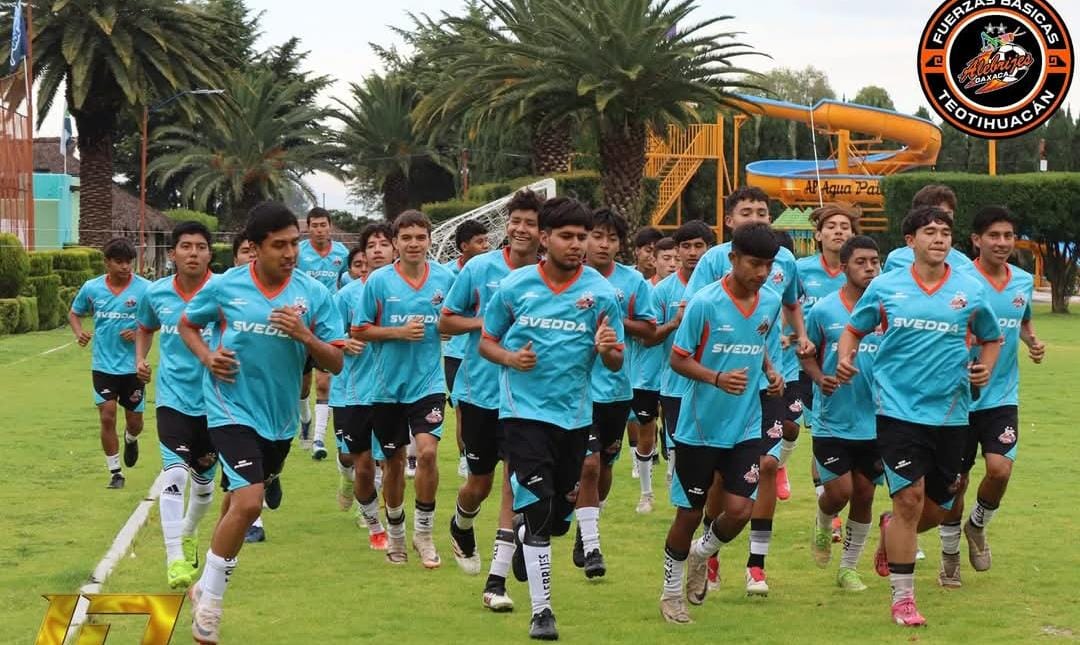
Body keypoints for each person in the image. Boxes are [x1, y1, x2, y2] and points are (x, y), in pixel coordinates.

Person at [181, 202, 345, 643]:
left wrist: (305, 336)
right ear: (254, 248)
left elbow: (336, 360)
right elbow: (187, 324)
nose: (291, 252)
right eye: (280, 245)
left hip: (281, 420)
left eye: (294, 243)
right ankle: (210, 604)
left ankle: (203, 583)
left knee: (238, 501)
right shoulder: (226, 287)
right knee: (251, 503)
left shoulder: (313, 294)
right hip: (229, 407)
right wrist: (207, 357)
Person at [837, 205, 1001, 627]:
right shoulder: (886, 287)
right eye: (930, 231)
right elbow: (854, 328)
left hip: (950, 412)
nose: (939, 239)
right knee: (909, 498)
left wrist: (985, 368)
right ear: (910, 241)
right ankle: (903, 600)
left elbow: (991, 337)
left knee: (940, 508)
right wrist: (845, 359)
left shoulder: (969, 290)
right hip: (896, 411)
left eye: (945, 232)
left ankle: (893, 531)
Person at [479, 196, 624, 640]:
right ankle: (542, 613)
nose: (577, 244)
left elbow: (617, 360)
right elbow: (487, 341)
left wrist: (607, 350)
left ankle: (531, 536)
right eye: (567, 236)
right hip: (523, 415)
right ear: (545, 239)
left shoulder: (600, 293)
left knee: (560, 516)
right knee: (541, 513)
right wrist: (509, 357)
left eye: (583, 237)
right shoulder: (516, 287)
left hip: (575, 417)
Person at [684, 187, 812, 597]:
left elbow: (787, 306)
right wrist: (716, 371)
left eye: (762, 210)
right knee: (723, 479)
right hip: (722, 385)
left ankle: (756, 565)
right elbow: (697, 313)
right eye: (746, 211)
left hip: (770, 379)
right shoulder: (711, 261)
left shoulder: (785, 262)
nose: (755, 216)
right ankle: (710, 550)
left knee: (769, 468)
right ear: (729, 221)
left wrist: (798, 340)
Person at [660, 222, 784, 624]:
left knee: (739, 510)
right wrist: (715, 377)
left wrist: (770, 370)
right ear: (732, 259)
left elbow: (760, 341)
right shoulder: (705, 303)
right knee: (690, 513)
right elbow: (677, 358)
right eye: (754, 264)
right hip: (699, 425)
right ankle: (670, 593)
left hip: (746, 424)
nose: (761, 273)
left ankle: (702, 553)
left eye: (768, 265)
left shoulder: (770, 302)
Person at [439, 189, 543, 611]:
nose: (520, 229)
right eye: (515, 220)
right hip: (479, 391)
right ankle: (461, 523)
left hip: (525, 398)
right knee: (479, 484)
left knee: (513, 485)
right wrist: (490, 322)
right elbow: (445, 319)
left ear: (543, 232)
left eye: (530, 223)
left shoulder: (549, 277)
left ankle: (495, 581)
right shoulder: (479, 268)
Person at [937, 205, 1044, 587]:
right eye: (994, 236)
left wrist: (1032, 341)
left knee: (1000, 469)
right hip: (959, 397)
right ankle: (949, 554)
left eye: (1008, 236)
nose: (1002, 243)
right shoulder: (961, 281)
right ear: (976, 240)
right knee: (956, 482)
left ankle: (977, 526)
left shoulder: (1022, 280)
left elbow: (1024, 317)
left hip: (1001, 396)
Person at [352, 210, 456, 568]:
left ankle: (424, 534)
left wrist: (448, 328)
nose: (414, 244)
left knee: (427, 453)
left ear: (429, 240)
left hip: (428, 383)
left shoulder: (445, 278)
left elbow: (453, 319)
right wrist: (397, 332)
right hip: (386, 388)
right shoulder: (379, 282)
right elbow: (359, 330)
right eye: (406, 238)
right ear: (395, 242)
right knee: (394, 464)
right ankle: (396, 534)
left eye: (420, 237)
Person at [573, 207, 657, 579]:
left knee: (604, 465)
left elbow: (649, 330)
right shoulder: (571, 280)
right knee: (587, 465)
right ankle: (592, 546)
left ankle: (587, 525)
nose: (604, 244)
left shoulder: (632, 282)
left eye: (611, 238)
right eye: (597, 236)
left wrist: (612, 320)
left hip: (618, 389)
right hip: (577, 391)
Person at [135, 221, 218, 589]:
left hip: (217, 402)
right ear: (173, 253)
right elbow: (145, 327)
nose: (193, 253)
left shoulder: (224, 291)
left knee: (203, 483)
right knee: (174, 474)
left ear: (209, 253)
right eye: (186, 246)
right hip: (172, 398)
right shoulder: (157, 294)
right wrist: (141, 358)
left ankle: (189, 531)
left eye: (200, 247)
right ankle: (174, 559)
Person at [800, 235, 883, 592]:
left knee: (865, 494)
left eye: (874, 262)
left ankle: (848, 569)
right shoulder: (823, 311)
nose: (869, 268)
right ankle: (823, 519)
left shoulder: (887, 311)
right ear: (845, 267)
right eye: (861, 262)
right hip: (832, 418)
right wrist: (821, 379)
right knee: (841, 492)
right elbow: (806, 354)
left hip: (877, 420)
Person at [795, 204, 860, 540]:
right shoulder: (801, 269)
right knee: (820, 431)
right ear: (817, 234)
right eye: (831, 226)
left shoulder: (863, 274)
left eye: (845, 227)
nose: (839, 232)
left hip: (856, 371)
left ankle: (832, 504)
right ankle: (828, 509)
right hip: (813, 365)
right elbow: (785, 305)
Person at [68, 237, 152, 489]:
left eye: (129, 262)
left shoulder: (145, 289)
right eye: (119, 262)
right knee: (107, 416)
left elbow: (153, 324)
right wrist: (79, 332)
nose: (125, 267)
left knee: (135, 422)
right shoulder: (92, 288)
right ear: (107, 263)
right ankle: (116, 472)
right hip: (103, 366)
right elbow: (74, 313)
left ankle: (130, 437)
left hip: (133, 367)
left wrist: (137, 334)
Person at [332, 223, 396, 551]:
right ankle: (372, 520)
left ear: (394, 248)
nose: (378, 250)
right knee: (358, 461)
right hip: (353, 390)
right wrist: (344, 342)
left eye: (384, 244)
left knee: (390, 460)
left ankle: (384, 523)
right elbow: (326, 334)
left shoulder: (406, 289)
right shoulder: (346, 296)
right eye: (372, 245)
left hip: (396, 391)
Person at [653, 222, 715, 490]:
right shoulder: (663, 290)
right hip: (675, 385)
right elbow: (649, 337)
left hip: (714, 384)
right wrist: (673, 324)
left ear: (709, 249)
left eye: (699, 246)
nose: (693, 252)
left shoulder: (720, 287)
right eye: (686, 246)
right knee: (682, 448)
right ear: (677, 250)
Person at [629, 236, 677, 513]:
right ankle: (646, 493)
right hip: (645, 375)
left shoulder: (687, 290)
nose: (671, 264)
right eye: (666, 259)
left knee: (675, 432)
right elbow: (642, 336)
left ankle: (673, 479)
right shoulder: (644, 291)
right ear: (654, 260)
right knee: (646, 432)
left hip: (676, 374)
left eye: (675, 259)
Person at [297, 207, 349, 458]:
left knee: (323, 383)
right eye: (314, 225)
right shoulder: (299, 253)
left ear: (330, 226)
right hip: (301, 324)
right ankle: (304, 418)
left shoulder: (342, 253)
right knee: (303, 385)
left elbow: (348, 280)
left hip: (327, 326)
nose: (319, 229)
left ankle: (318, 439)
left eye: (323, 225)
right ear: (307, 228)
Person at [444, 219, 491, 479]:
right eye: (479, 242)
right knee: (461, 407)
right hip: (455, 352)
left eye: (487, 241)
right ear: (464, 246)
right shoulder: (450, 274)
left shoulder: (491, 271)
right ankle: (464, 456)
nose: (485, 246)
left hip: (483, 354)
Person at [626, 226, 664, 477]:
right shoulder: (629, 280)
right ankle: (636, 459)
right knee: (634, 417)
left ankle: (652, 454)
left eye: (656, 251)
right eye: (647, 250)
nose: (652, 256)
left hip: (660, 359)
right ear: (637, 251)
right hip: (630, 361)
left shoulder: (664, 285)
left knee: (653, 415)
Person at [884, 185, 973, 272]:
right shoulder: (896, 260)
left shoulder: (964, 264)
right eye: (937, 214)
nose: (943, 220)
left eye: (948, 214)